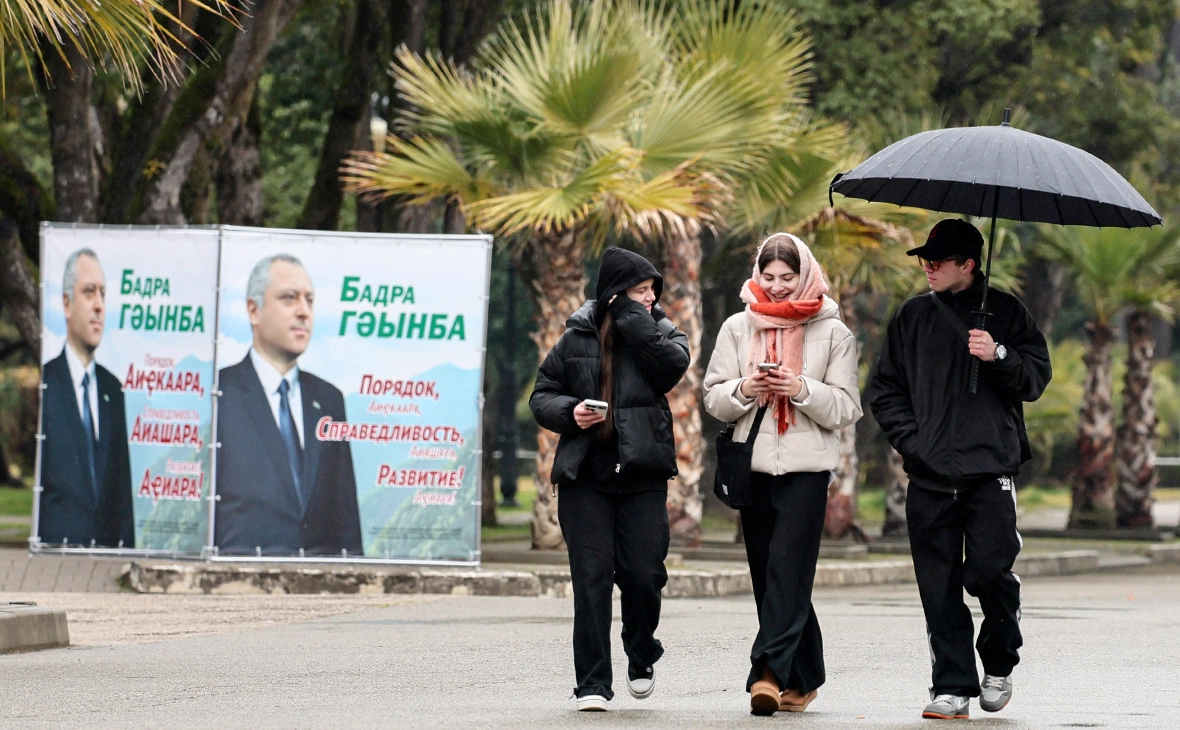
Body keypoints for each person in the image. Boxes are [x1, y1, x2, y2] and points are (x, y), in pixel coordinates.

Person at [866, 219, 1052, 720]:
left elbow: (1035, 379)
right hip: (928, 474)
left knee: (990, 572)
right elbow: (884, 390)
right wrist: (914, 442)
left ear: (967, 265)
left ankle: (999, 660)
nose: (927, 269)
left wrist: (999, 354)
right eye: (923, 261)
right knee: (938, 584)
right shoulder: (911, 317)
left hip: (991, 470)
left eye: (936, 262)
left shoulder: (1009, 312)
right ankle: (951, 687)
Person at [703, 233, 862, 716]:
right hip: (751, 467)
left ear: (806, 275)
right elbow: (713, 397)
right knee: (767, 575)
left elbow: (847, 407)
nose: (775, 287)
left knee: (788, 570)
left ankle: (766, 674)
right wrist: (746, 388)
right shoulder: (737, 327)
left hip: (806, 471)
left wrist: (800, 388)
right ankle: (806, 677)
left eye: (787, 278)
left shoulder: (834, 333)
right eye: (768, 277)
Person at [530, 247, 689, 712]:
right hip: (586, 479)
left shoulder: (662, 331)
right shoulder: (576, 337)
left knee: (644, 576)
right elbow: (542, 395)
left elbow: (669, 368)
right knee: (592, 580)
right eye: (640, 291)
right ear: (614, 293)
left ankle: (641, 653)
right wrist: (569, 412)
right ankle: (592, 684)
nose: (650, 299)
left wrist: (632, 317)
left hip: (642, 476)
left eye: (652, 291)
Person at [215, 254, 363, 556]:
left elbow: (345, 513)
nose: (304, 312)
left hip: (322, 585)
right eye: (289, 298)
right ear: (253, 310)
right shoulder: (219, 393)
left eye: (309, 300)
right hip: (239, 580)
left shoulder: (329, 399)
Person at [39, 248, 135, 547]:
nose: (99, 306)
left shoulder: (113, 389)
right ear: (66, 304)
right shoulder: (46, 382)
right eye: (89, 292)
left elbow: (121, 491)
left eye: (103, 294)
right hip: (55, 558)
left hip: (106, 561)